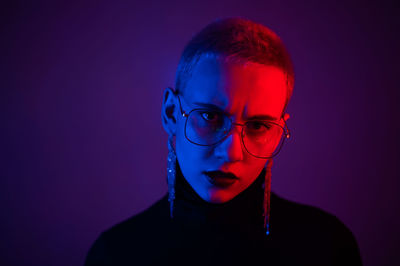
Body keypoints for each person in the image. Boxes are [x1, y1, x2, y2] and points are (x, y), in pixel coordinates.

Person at [85, 17, 362, 266]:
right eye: (209, 116)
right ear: (171, 113)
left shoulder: (327, 248)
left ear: (278, 131)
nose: (231, 153)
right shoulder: (116, 255)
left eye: (258, 126)